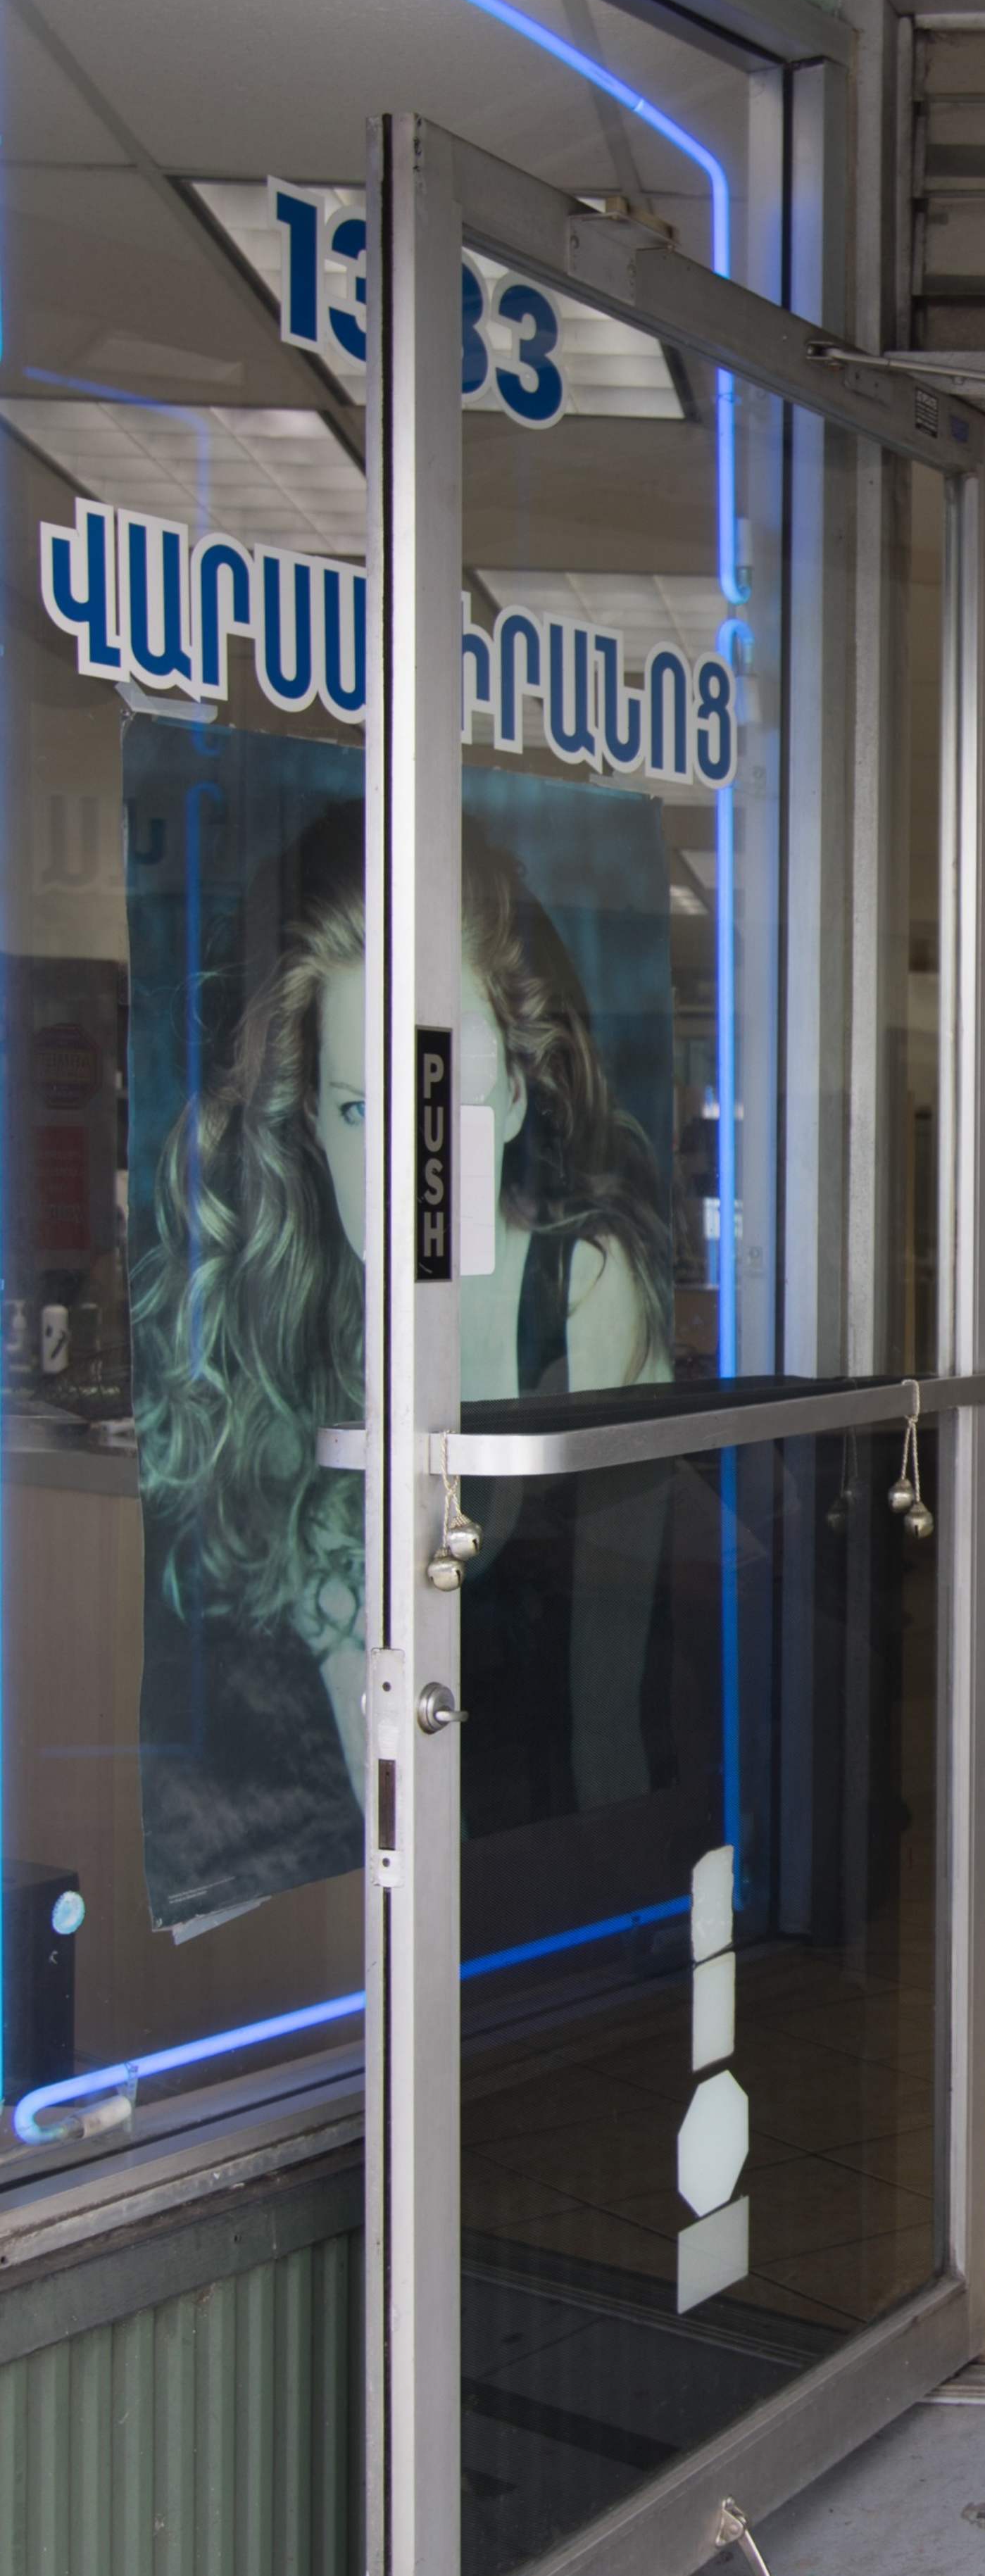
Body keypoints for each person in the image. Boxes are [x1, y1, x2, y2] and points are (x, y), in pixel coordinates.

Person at [131, 803, 672, 1927]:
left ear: (515, 1090)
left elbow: (608, 1712)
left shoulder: (584, 1291)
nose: (408, 1159)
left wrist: (620, 1955)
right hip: (378, 1890)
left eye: (445, 1095)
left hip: (573, 1850)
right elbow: (384, 1764)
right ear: (309, 1127)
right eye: (357, 1107)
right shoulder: (300, 1332)